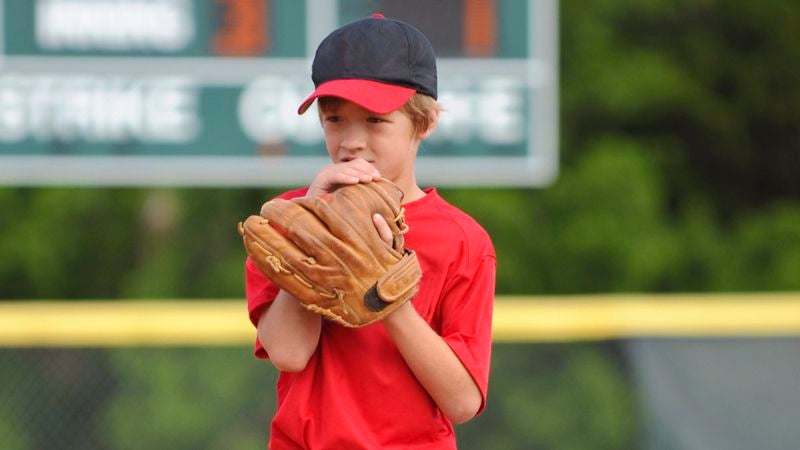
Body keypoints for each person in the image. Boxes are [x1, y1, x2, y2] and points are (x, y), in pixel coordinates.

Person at [245, 14, 496, 449]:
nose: (352, 140)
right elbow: (288, 352)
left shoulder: (462, 240)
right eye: (335, 119)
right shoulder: (290, 219)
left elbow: (462, 401)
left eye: (376, 121)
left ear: (426, 121)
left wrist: (386, 291)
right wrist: (316, 229)